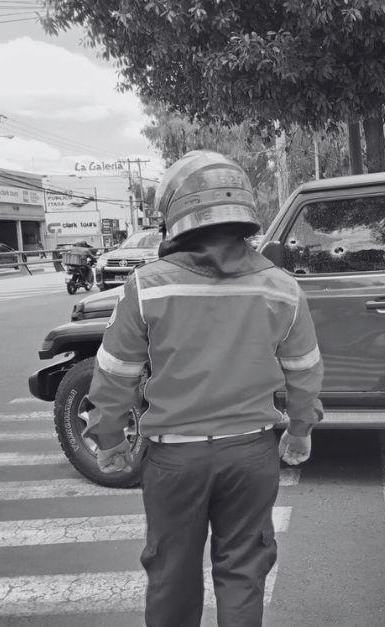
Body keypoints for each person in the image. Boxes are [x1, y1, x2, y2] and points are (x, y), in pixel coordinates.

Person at [81, 151, 324, 627]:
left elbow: (114, 375)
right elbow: (305, 373)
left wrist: (109, 441)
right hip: (251, 456)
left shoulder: (146, 286)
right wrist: (299, 432)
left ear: (175, 215)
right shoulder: (282, 288)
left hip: (175, 462)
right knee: (242, 574)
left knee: (171, 575)